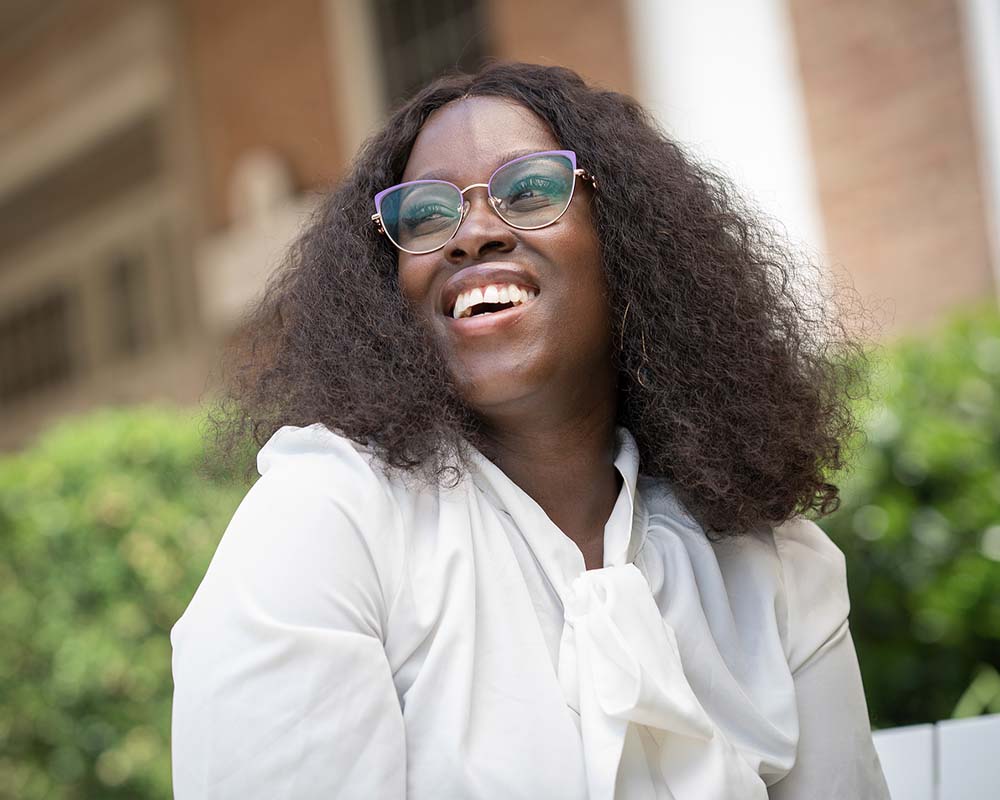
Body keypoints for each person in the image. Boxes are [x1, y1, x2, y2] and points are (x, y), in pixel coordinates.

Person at [171, 62, 890, 799]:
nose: (473, 234)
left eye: (532, 190)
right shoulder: (327, 524)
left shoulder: (776, 567)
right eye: (424, 215)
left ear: (627, 237)